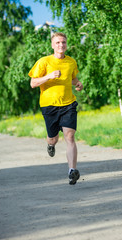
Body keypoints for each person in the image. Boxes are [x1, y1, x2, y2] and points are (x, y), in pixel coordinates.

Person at [28, 32, 83, 185]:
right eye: (58, 42)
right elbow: (33, 83)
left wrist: (78, 84)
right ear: (52, 45)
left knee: (70, 137)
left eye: (63, 42)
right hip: (49, 105)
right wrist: (49, 76)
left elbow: (71, 78)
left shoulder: (71, 62)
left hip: (68, 104)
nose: (61, 45)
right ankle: (50, 144)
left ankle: (72, 171)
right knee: (53, 138)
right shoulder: (44, 62)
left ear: (66, 44)